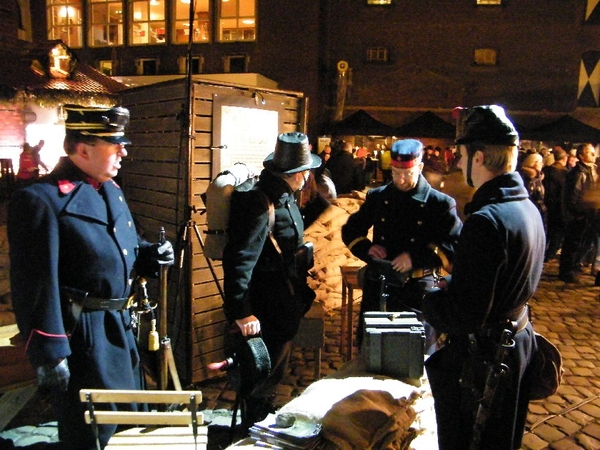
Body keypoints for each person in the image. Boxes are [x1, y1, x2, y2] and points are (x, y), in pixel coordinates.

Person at [7, 104, 175, 450]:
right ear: (83, 149)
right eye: (115, 144)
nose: (124, 151)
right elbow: (35, 286)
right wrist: (50, 352)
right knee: (94, 431)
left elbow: (116, 248)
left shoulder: (109, 189)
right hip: (84, 334)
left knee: (130, 421)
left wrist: (147, 254)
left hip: (119, 326)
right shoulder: (41, 200)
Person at [422, 105, 545, 450]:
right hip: (515, 345)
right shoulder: (526, 207)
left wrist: (430, 299)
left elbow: (466, 314)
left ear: (478, 157)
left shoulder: (487, 220)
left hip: (486, 361)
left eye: (460, 155)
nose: (458, 164)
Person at [222, 132, 321, 426]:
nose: (307, 177)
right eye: (306, 172)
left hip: (284, 297)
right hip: (267, 304)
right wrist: (241, 311)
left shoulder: (282, 196)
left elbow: (287, 236)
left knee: (274, 367)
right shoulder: (259, 202)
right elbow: (240, 260)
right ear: (299, 174)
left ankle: (261, 414)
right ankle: (255, 425)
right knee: (263, 370)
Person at [341, 138, 462, 348]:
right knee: (372, 350)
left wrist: (415, 258)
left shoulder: (440, 204)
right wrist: (368, 248)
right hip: (380, 286)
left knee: (413, 356)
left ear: (420, 167)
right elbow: (351, 230)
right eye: (396, 173)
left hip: (417, 289)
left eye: (408, 173)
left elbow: (454, 245)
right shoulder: (379, 197)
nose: (401, 180)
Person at [558, 142, 600, 283]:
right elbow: (573, 196)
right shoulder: (578, 173)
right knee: (572, 243)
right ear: (581, 156)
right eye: (589, 152)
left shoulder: (592, 170)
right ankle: (567, 270)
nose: (593, 155)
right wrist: (579, 213)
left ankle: (574, 266)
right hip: (579, 215)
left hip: (589, 215)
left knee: (582, 243)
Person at [542, 146, 568, 261]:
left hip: (546, 204)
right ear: (565, 158)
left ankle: (543, 251)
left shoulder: (546, 170)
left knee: (547, 230)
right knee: (557, 231)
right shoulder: (564, 174)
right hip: (558, 206)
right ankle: (549, 253)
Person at [518, 152, 547, 230]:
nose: (542, 164)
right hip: (530, 212)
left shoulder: (538, 178)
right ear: (533, 163)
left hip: (538, 210)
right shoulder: (528, 178)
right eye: (540, 162)